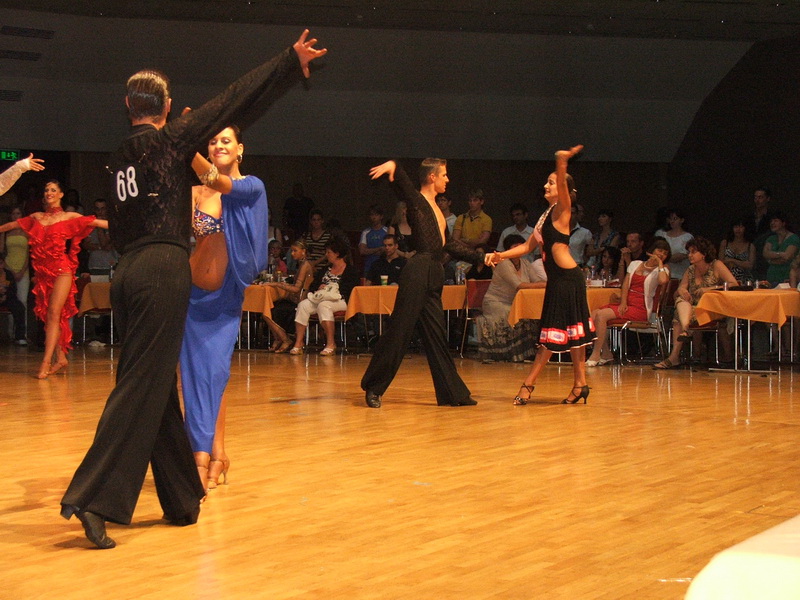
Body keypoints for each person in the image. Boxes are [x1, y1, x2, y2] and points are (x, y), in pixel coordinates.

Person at [60, 29, 327, 550]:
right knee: (140, 387)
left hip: (125, 273)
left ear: (127, 107)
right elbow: (235, 97)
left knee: (157, 386)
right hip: (163, 271)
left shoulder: (118, 157)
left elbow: (121, 226)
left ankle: (181, 497)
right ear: (167, 109)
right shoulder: (171, 140)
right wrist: (287, 63)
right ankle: (91, 497)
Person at [179, 125, 269, 493]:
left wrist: (182, 143)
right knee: (196, 378)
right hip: (189, 297)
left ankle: (200, 457)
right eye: (213, 140)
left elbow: (217, 180)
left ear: (240, 149)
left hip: (224, 300)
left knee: (213, 374)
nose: (218, 145)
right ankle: (214, 454)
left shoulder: (251, 187)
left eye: (226, 140)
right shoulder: (194, 193)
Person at [362, 158, 483, 408]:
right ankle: (374, 386)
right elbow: (403, 186)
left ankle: (453, 393)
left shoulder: (437, 209)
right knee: (400, 329)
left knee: (437, 335)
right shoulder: (418, 201)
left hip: (433, 272)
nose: (447, 179)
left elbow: (449, 245)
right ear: (432, 177)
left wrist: (481, 257)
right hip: (417, 271)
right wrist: (395, 167)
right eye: (444, 175)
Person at [485, 145, 594, 405]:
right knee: (573, 336)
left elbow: (563, 183)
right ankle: (580, 384)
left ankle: (528, 384)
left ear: (563, 189)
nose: (546, 185)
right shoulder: (546, 215)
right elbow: (526, 247)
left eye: (551, 182)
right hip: (559, 280)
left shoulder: (563, 209)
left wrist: (562, 161)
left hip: (567, 279)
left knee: (551, 337)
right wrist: (500, 255)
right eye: (547, 182)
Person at [0, 179, 107, 378]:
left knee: (54, 312)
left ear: (60, 194)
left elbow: (96, 222)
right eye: (46, 189)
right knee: (50, 317)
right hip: (43, 273)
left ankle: (45, 362)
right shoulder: (36, 217)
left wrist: (127, 228)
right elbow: (11, 225)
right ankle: (61, 357)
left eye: (53, 190)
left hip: (62, 270)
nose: (49, 192)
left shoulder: (68, 216)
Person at [653, 237, 737, 370]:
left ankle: (675, 355)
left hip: (713, 308)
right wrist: (681, 290)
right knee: (680, 303)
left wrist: (710, 289)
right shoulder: (690, 269)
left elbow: (734, 284)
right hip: (693, 309)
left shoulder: (716, 265)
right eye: (689, 252)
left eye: (693, 252)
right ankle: (684, 334)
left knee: (678, 316)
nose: (689, 255)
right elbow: (677, 293)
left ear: (704, 254)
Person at [586, 239, 671, 366]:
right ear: (652, 250)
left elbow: (663, 281)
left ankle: (596, 354)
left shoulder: (662, 270)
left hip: (641, 308)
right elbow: (625, 284)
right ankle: (606, 353)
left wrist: (659, 263)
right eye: (659, 251)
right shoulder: (635, 264)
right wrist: (623, 302)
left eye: (665, 253)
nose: (661, 254)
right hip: (627, 303)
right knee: (594, 314)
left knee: (602, 315)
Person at [477, 234, 545, 363]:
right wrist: (546, 284)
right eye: (515, 246)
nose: (518, 248)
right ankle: (509, 353)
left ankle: (527, 352)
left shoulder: (525, 263)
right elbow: (519, 285)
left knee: (532, 314)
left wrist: (544, 283)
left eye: (520, 245)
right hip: (496, 302)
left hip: (515, 302)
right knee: (515, 315)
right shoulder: (503, 264)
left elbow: (536, 280)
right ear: (508, 249)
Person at [289, 236, 359, 355]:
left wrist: (332, 288)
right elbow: (313, 286)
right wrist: (320, 287)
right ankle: (299, 342)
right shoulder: (325, 270)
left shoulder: (351, 271)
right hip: (321, 298)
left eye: (329, 252)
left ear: (337, 254)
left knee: (324, 306)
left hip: (341, 299)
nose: (326, 255)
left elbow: (350, 290)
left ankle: (331, 343)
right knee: (303, 305)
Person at [261, 239, 315, 353]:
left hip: (299, 302)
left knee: (268, 312)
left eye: (295, 251)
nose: (292, 253)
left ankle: (284, 339)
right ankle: (279, 338)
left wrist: (277, 284)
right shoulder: (302, 264)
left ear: (303, 251)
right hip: (295, 299)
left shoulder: (305, 266)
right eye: (292, 251)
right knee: (269, 307)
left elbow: (297, 289)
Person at [1, 206, 31, 344]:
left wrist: (22, 270)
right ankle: (11, 332)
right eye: (13, 213)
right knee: (10, 298)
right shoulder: (7, 232)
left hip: (23, 269)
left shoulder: (27, 231)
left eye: (18, 213)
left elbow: (28, 253)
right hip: (8, 268)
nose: (15, 216)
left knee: (22, 301)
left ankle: (21, 333)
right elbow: (2, 251)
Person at [654, 209, 693, 280]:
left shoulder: (687, 237)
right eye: (670, 219)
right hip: (660, 274)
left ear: (682, 220)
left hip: (679, 275)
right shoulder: (661, 234)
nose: (672, 221)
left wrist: (663, 258)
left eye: (675, 219)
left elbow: (680, 256)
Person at [763, 212, 799, 287]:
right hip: (771, 278)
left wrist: (771, 260)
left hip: (787, 278)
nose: (772, 223)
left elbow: (788, 256)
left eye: (775, 221)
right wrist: (780, 254)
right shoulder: (771, 239)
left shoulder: (794, 238)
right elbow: (765, 254)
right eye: (771, 221)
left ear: (783, 223)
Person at [0, 251, 27, 344]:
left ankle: (20, 337)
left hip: (7, 298)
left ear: (3, 263)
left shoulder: (8, 274)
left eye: (1, 263)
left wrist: (5, 295)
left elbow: (13, 290)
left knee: (19, 307)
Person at [719, 218, 755, 283]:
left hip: (745, 280)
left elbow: (750, 265)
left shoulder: (750, 246)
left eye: (741, 227)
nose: (738, 229)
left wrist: (732, 260)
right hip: (727, 279)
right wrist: (742, 263)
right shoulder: (724, 243)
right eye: (736, 227)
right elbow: (720, 262)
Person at [358, 204, 388, 275]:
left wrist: (370, 251)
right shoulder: (366, 232)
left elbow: (387, 250)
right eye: (372, 215)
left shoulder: (387, 231)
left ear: (381, 216)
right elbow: (362, 251)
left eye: (376, 215)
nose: (374, 217)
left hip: (383, 267)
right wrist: (379, 249)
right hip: (369, 267)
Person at [300, 209, 332, 274]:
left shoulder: (328, 236)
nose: (316, 222)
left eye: (318, 220)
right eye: (314, 220)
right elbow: (301, 250)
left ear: (322, 221)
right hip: (307, 268)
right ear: (311, 222)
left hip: (322, 268)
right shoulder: (306, 235)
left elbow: (329, 253)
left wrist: (314, 263)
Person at [567, 203, 592, 267]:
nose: (570, 215)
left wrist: (588, 266)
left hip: (577, 265)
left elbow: (591, 253)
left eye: (572, 213)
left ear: (577, 214)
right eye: (568, 213)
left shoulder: (585, 233)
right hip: (560, 266)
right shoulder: (558, 231)